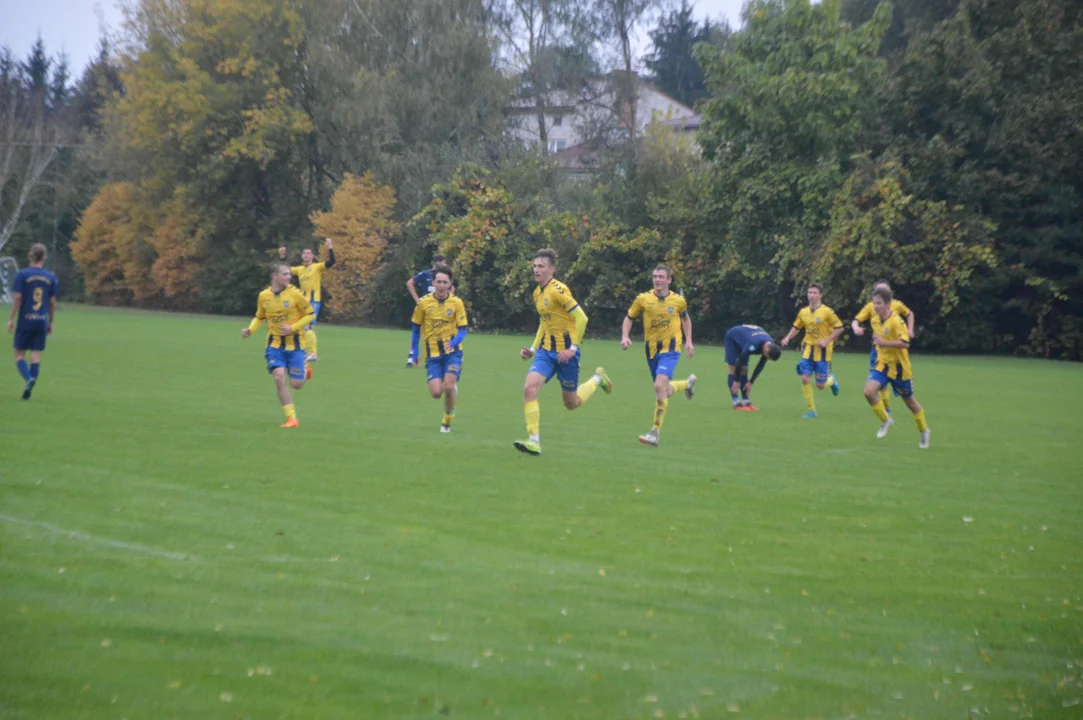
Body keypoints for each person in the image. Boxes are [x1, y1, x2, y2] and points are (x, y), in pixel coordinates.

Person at [514, 248, 612, 456]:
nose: (536, 270)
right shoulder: (537, 293)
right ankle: (534, 441)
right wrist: (532, 349)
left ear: (552, 269)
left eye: (541, 266)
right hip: (546, 353)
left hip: (567, 354)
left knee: (571, 403)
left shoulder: (558, 290)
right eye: (534, 266)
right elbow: (545, 321)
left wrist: (572, 348)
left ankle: (597, 378)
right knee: (529, 388)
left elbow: (582, 318)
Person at [620, 265, 696, 447]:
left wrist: (688, 341)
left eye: (661, 277)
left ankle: (654, 432)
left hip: (671, 349)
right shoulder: (643, 299)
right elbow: (629, 318)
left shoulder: (678, 301)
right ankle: (687, 383)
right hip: (651, 350)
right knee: (665, 391)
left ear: (669, 280)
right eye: (655, 276)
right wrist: (625, 336)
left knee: (659, 385)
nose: (657, 280)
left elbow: (685, 319)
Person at [241, 262, 316, 428]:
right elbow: (260, 317)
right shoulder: (263, 296)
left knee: (297, 385)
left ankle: (305, 365)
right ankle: (292, 418)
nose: (289, 277)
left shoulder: (295, 294)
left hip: (296, 344)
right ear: (275, 276)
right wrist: (250, 330)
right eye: (285, 274)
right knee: (279, 376)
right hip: (274, 344)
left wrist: (292, 327)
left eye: (289, 274)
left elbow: (310, 315)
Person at [863, 287, 930, 448]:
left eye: (878, 303)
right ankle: (886, 420)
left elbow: (905, 343)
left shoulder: (896, 321)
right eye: (874, 303)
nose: (875, 306)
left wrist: (883, 343)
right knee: (868, 392)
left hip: (900, 370)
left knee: (911, 404)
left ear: (887, 304)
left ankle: (924, 431)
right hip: (883, 366)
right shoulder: (875, 320)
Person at [407, 264, 468, 433]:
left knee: (448, 387)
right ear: (433, 283)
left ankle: (447, 420)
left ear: (450, 284)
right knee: (436, 393)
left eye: (445, 282)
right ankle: (451, 389)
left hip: (453, 353)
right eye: (438, 282)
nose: (441, 285)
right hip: (432, 354)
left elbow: (463, 329)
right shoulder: (423, 303)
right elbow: (415, 328)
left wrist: (454, 342)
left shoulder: (456, 303)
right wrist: (415, 352)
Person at [779, 283, 844, 418]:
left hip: (823, 352)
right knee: (804, 378)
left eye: (815, 293)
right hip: (807, 349)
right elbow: (797, 327)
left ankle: (831, 380)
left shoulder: (827, 312)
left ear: (820, 295)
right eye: (809, 292)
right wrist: (787, 338)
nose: (812, 295)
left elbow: (840, 328)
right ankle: (812, 410)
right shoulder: (803, 312)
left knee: (820, 385)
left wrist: (826, 340)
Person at [852, 280, 915, 417]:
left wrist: (910, 330)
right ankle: (887, 411)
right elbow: (856, 320)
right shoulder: (870, 307)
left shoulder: (896, 306)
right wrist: (856, 327)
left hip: (896, 353)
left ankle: (890, 406)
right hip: (878, 350)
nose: (876, 304)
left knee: (908, 398)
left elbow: (909, 314)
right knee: (878, 383)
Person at [6, 244, 58, 400]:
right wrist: (51, 321)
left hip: (26, 320)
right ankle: (27, 392)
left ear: (31, 256)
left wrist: (11, 318)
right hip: (42, 320)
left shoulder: (23, 275)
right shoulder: (51, 277)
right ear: (44, 257)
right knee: (36, 355)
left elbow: (18, 297)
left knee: (19, 354)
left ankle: (29, 379)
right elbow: (52, 302)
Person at [278, 238, 335, 364]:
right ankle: (304, 351)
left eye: (308, 253)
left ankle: (312, 353)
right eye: (304, 253)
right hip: (302, 303)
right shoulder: (299, 269)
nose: (306, 255)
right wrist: (282, 257)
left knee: (308, 326)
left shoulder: (317, 267)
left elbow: (332, 262)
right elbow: (284, 269)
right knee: (302, 327)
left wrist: (330, 247)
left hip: (313, 301)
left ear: (313, 256)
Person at [722, 324, 782, 411]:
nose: (766, 358)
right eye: (767, 357)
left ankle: (746, 402)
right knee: (733, 369)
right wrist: (736, 380)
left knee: (744, 370)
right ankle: (736, 403)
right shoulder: (753, 344)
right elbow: (739, 362)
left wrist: (751, 382)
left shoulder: (770, 345)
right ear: (766, 350)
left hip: (745, 340)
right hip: (733, 339)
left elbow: (760, 365)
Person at [406, 254, 448, 367]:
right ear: (438, 263)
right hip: (424, 307)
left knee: (434, 334)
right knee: (417, 331)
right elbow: (410, 283)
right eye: (444, 263)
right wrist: (417, 299)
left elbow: (451, 289)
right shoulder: (426, 274)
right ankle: (411, 359)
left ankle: (429, 359)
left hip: (437, 310)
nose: (445, 265)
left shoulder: (443, 277)